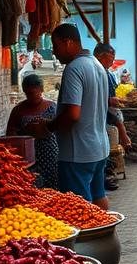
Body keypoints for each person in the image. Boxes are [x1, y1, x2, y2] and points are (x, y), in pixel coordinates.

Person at [32, 23, 110, 209]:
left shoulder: (74, 68)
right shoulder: (97, 65)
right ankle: (106, 236)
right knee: (99, 197)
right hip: (99, 148)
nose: (54, 53)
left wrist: (46, 128)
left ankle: (89, 238)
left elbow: (72, 113)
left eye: (55, 46)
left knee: (77, 208)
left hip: (78, 153)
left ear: (68, 43)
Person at [6, 74, 59, 188]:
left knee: (51, 185)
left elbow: (60, 128)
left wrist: (44, 126)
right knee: (31, 184)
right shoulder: (18, 110)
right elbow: (10, 134)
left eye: (33, 93)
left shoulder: (52, 107)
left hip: (49, 153)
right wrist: (27, 131)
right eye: (27, 94)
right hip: (28, 155)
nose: (30, 97)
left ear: (41, 90)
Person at [93, 43, 131, 192]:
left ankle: (106, 175)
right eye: (110, 59)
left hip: (107, 118)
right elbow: (99, 99)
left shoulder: (106, 73)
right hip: (102, 119)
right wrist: (122, 129)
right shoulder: (96, 72)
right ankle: (105, 177)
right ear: (100, 56)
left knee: (106, 150)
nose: (111, 62)